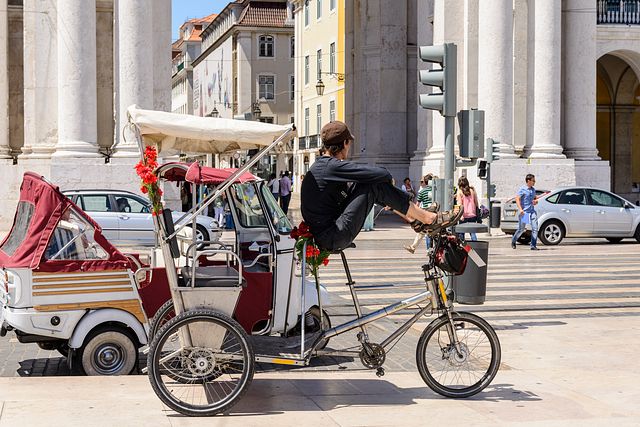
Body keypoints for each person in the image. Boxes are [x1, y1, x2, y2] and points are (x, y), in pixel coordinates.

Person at [301, 121, 461, 252]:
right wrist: (387, 177)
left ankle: (415, 218)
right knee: (373, 186)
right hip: (333, 235)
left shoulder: (322, 166)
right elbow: (378, 173)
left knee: (370, 184)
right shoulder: (331, 167)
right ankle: (428, 218)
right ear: (345, 143)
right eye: (349, 143)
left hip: (328, 233)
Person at [404, 174, 437, 253]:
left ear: (425, 183)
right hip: (435, 213)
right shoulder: (436, 190)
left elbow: (417, 205)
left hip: (425, 213)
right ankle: (432, 249)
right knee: (430, 232)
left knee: (424, 232)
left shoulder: (422, 191)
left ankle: (427, 250)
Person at [512, 173, 540, 250]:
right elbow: (517, 199)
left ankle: (533, 245)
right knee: (522, 229)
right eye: (533, 180)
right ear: (528, 181)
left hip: (532, 212)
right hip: (525, 213)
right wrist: (520, 209)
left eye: (534, 180)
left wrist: (535, 201)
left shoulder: (533, 190)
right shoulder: (522, 189)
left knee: (535, 228)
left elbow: (534, 199)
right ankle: (513, 241)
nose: (534, 182)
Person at [455, 176, 479, 242]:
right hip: (473, 215)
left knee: (462, 233)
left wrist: (460, 215)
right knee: (472, 233)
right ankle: (476, 247)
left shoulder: (459, 192)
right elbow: (476, 202)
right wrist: (477, 212)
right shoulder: (472, 190)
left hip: (463, 215)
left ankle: (462, 248)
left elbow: (459, 204)